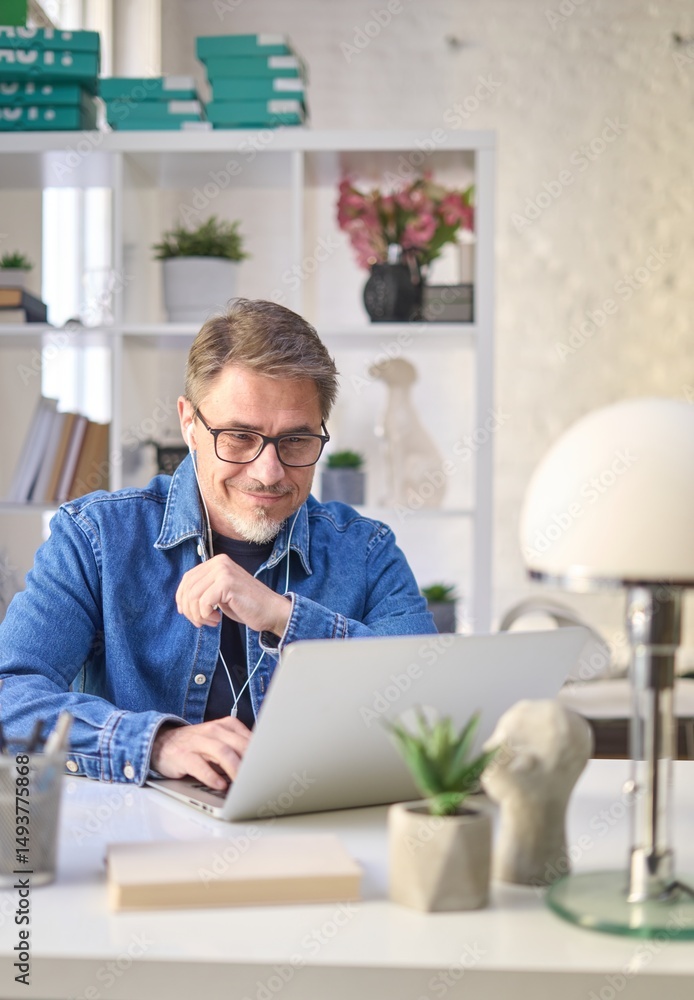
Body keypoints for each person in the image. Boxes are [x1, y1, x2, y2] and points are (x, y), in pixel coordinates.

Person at [0, 299, 435, 789]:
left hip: (323, 831)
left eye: (295, 442)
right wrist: (156, 743)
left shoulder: (367, 550)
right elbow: (11, 692)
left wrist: (283, 617)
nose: (268, 472)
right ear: (190, 424)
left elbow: (432, 703)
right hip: (143, 838)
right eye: (239, 437)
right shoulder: (95, 537)